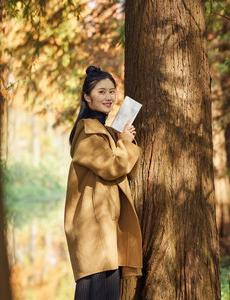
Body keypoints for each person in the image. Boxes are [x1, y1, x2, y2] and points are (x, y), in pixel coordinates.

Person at [64, 66, 143, 300]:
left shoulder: (104, 131)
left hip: (106, 228)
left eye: (112, 91)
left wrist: (121, 140)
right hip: (94, 230)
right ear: (87, 97)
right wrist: (126, 143)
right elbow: (112, 167)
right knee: (96, 291)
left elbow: (124, 172)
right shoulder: (89, 133)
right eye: (101, 92)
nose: (109, 97)